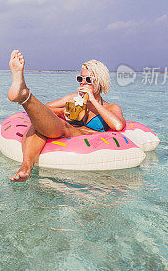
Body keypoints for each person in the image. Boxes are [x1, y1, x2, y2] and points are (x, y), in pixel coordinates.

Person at [7, 50, 126, 182]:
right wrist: (62, 112)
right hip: (66, 129)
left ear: (100, 82)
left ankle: (25, 95)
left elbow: (118, 125)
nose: (83, 83)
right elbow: (42, 109)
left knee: (64, 126)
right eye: (80, 78)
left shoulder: (111, 107)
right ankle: (26, 167)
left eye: (88, 79)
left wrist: (92, 100)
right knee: (38, 123)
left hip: (88, 137)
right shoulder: (73, 98)